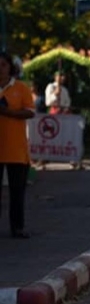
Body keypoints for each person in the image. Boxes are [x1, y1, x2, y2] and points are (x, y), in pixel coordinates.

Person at [0, 52, 36, 238]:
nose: (0, 69)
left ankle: (17, 227)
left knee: (17, 192)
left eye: (3, 65)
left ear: (10, 67)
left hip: (16, 148)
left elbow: (30, 112)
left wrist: (7, 112)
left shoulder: (21, 88)